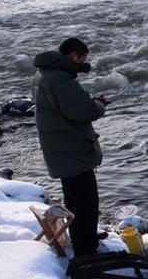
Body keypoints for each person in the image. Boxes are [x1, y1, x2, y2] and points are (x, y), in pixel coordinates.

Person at [32, 38, 110, 256]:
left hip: (59, 148)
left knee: (73, 199)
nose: (83, 63)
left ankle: (82, 236)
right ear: (74, 55)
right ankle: (87, 249)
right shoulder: (62, 79)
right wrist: (99, 104)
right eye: (82, 59)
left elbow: (67, 107)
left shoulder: (44, 74)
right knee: (86, 202)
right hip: (72, 150)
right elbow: (83, 111)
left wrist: (89, 102)